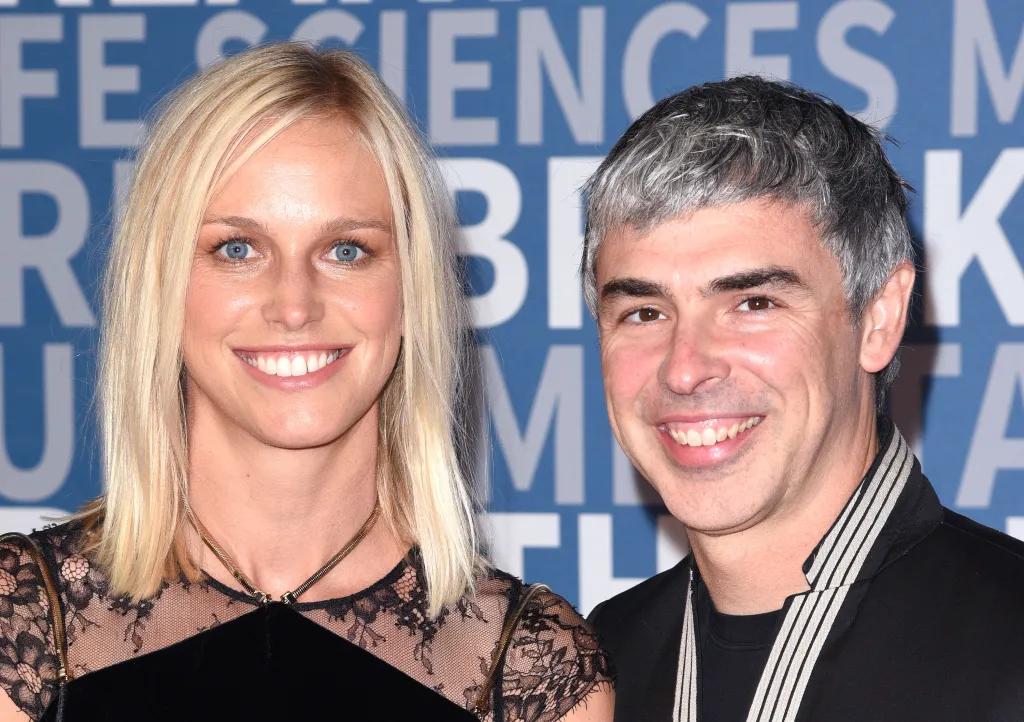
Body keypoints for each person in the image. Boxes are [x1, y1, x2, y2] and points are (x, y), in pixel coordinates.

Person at [0, 43, 613, 722]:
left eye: (346, 250)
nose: (294, 305)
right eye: (237, 249)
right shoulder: (27, 623)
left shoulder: (526, 663)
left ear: (412, 291)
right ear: (163, 287)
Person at [584, 76, 1024, 721]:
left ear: (879, 317)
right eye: (645, 312)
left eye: (753, 303)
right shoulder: (592, 667)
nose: (684, 370)